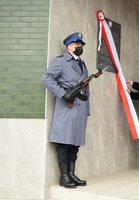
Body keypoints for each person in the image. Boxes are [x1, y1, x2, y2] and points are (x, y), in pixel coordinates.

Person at [42, 32, 89, 188]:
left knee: (75, 143)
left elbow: (86, 89)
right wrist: (63, 94)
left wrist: (87, 109)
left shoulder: (82, 64)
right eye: (77, 45)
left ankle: (71, 173)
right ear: (69, 46)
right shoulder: (61, 61)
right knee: (64, 142)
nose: (80, 47)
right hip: (67, 107)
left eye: (81, 45)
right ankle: (64, 176)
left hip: (80, 108)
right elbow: (47, 78)